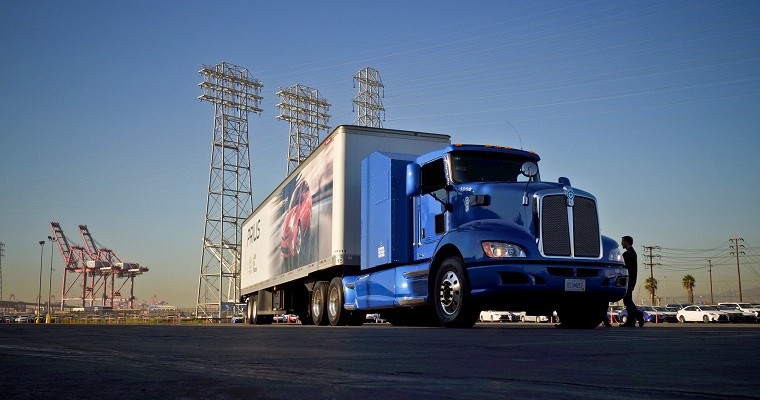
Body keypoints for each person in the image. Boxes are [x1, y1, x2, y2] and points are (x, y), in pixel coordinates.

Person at [620, 235, 645, 327]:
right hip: (631, 280)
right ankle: (631, 321)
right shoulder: (633, 253)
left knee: (627, 300)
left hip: (627, 280)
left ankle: (638, 315)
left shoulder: (627, 254)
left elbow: (623, 267)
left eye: (622, 241)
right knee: (628, 300)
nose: (621, 243)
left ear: (626, 242)